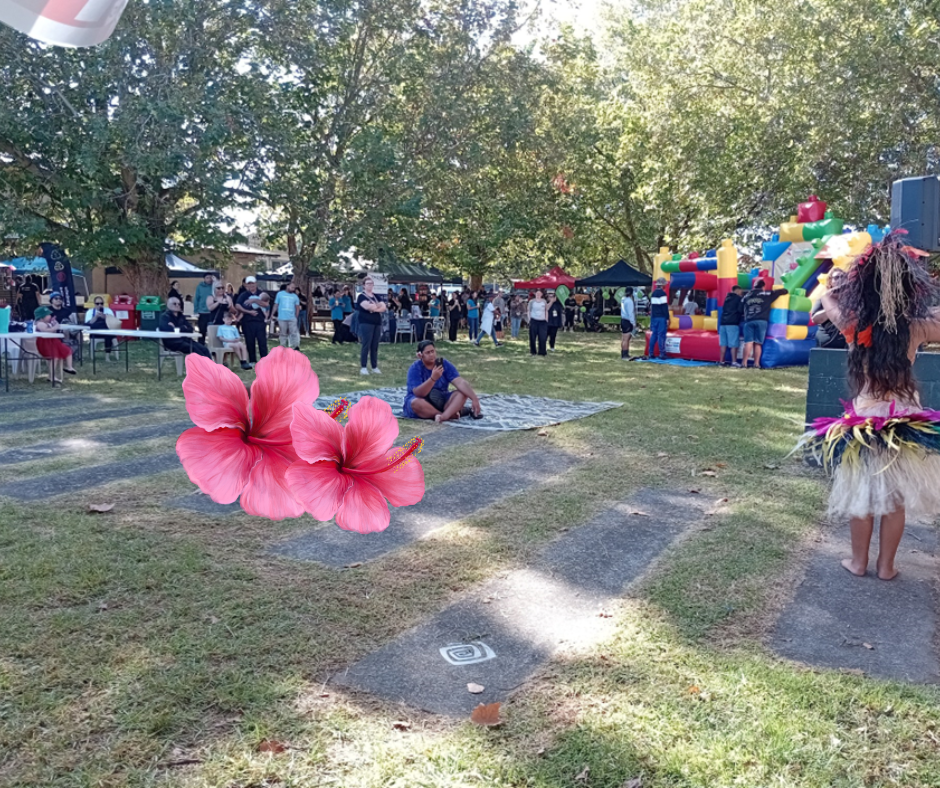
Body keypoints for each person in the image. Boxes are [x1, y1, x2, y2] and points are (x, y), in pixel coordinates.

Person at [798, 234, 940, 581]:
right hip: (905, 420)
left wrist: (841, 287)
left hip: (864, 421)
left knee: (862, 493)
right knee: (895, 498)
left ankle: (858, 562)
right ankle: (886, 567)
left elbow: (826, 297)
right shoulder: (916, 327)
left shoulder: (851, 323)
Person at [403, 340, 483, 422]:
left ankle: (444, 416)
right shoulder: (415, 368)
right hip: (422, 401)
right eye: (427, 353)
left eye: (432, 351)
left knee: (463, 393)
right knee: (415, 403)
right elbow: (418, 393)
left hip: (442, 400)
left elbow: (460, 382)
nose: (431, 355)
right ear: (420, 355)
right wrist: (433, 379)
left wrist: (474, 398)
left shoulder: (444, 364)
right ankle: (447, 414)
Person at [740, 279, 788, 369]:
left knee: (748, 342)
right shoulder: (767, 294)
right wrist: (784, 290)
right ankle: (756, 364)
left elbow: (740, 306)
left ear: (754, 286)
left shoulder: (747, 296)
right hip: (761, 321)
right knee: (758, 343)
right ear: (763, 286)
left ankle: (744, 363)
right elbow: (783, 291)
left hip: (749, 320)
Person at [33, 306, 76, 383]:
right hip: (45, 343)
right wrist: (55, 327)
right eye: (48, 315)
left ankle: (69, 367)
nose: (50, 316)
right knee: (54, 358)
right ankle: (51, 376)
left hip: (54, 342)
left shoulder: (48, 323)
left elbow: (53, 331)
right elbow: (46, 330)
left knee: (67, 350)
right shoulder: (40, 323)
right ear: (42, 317)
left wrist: (54, 324)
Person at [811, 269, 848, 350]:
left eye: (843, 276)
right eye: (836, 277)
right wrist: (832, 308)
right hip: (827, 343)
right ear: (830, 281)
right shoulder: (824, 298)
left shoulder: (851, 298)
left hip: (847, 343)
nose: (840, 279)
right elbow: (815, 319)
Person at [356, 275, 386, 375]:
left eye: (371, 283)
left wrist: (374, 308)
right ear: (364, 285)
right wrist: (376, 307)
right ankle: (363, 367)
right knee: (366, 344)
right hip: (366, 323)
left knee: (375, 345)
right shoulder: (361, 296)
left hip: (377, 322)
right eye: (368, 284)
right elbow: (367, 307)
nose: (370, 285)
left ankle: (374, 366)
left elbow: (383, 307)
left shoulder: (376, 296)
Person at [235, 276, 269, 364]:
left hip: (260, 321)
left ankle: (264, 361)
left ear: (256, 283)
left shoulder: (262, 293)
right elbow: (237, 305)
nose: (251, 285)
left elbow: (266, 304)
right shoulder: (243, 295)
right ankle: (252, 360)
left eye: (253, 283)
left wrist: (255, 300)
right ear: (246, 285)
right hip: (247, 322)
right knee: (250, 342)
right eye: (249, 284)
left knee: (262, 342)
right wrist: (248, 312)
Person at [718, 285, 745, 366]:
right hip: (732, 323)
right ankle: (734, 362)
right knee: (733, 344)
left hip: (723, 323)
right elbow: (740, 310)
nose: (741, 293)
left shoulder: (727, 298)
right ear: (737, 291)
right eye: (741, 292)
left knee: (723, 344)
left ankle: (721, 361)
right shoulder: (738, 299)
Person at [274, 281, 301, 350]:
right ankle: (282, 346)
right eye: (292, 287)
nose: (293, 289)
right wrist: (272, 314)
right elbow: (276, 304)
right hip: (282, 317)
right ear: (287, 286)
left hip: (292, 318)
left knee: (293, 333)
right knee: (283, 333)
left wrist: (296, 316)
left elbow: (297, 307)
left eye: (294, 288)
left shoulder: (295, 296)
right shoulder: (280, 294)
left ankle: (295, 346)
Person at [648, 278, 670, 359]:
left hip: (654, 317)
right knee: (661, 335)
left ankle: (651, 353)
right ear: (663, 285)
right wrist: (667, 318)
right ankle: (662, 353)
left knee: (654, 334)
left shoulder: (653, 293)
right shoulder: (663, 294)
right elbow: (664, 307)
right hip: (661, 317)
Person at [193, 272, 216, 342]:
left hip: (212, 311)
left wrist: (215, 281)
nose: (209, 279)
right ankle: (200, 346)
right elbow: (196, 299)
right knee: (202, 331)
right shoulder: (199, 287)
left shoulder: (214, 286)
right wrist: (195, 311)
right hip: (202, 312)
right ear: (204, 279)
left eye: (210, 278)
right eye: (207, 278)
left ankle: (212, 346)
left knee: (213, 331)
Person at [528, 288, 549, 356]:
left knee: (542, 337)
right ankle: (533, 352)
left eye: (539, 294)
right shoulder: (532, 301)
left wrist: (546, 319)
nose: (538, 295)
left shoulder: (544, 301)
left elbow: (546, 310)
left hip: (542, 321)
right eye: (537, 293)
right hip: (534, 320)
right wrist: (529, 319)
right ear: (535, 294)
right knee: (532, 337)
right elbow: (529, 310)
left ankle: (542, 352)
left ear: (542, 294)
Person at [620, 287, 636, 360]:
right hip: (627, 321)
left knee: (624, 338)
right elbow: (631, 313)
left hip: (623, 319)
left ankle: (623, 353)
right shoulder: (629, 301)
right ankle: (625, 354)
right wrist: (633, 323)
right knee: (626, 339)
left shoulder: (623, 299)